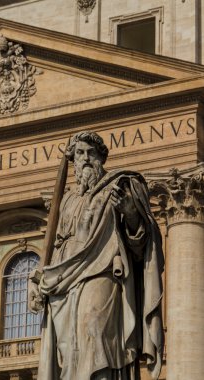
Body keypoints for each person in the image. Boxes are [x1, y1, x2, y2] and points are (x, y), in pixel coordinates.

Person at [29, 131, 164, 380]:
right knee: (68, 350)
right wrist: (39, 279)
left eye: (91, 153)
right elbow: (55, 245)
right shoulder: (67, 199)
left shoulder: (119, 187)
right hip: (64, 280)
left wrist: (131, 213)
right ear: (73, 162)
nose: (86, 158)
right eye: (79, 153)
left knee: (95, 330)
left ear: (102, 157)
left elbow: (140, 246)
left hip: (102, 270)